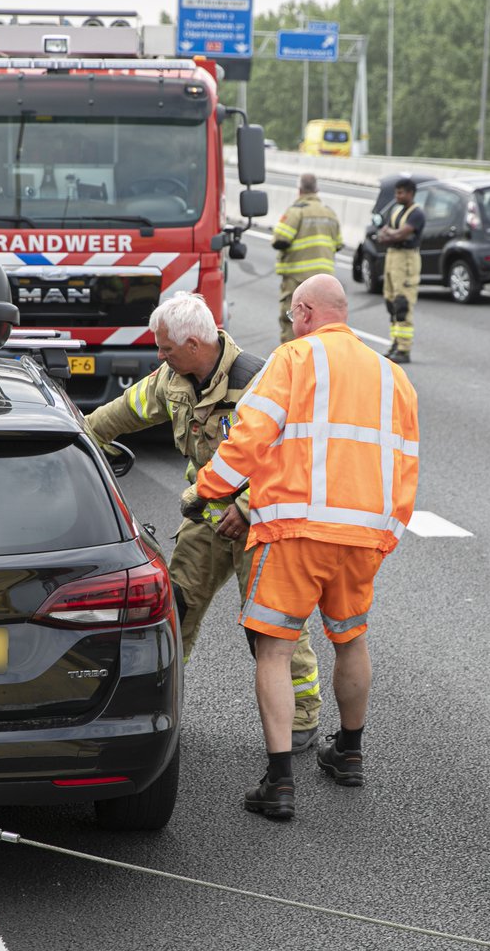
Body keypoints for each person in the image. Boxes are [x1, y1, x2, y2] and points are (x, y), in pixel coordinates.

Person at [190, 274, 419, 820]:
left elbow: (249, 435)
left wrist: (208, 488)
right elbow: (406, 461)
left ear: (306, 311)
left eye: (294, 315)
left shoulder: (293, 359)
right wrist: (388, 530)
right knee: (350, 639)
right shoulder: (393, 376)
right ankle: (350, 752)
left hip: (295, 531)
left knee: (273, 649)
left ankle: (280, 782)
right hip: (363, 535)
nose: (292, 323)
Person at [85, 293, 324, 755]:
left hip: (261, 522)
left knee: (272, 626)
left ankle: (301, 717)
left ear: (194, 344)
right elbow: (121, 413)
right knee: (174, 610)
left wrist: (248, 506)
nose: (160, 356)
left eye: (166, 348)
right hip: (207, 519)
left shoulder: (259, 381)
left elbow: (294, 455)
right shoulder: (172, 379)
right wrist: (78, 436)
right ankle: (156, 699)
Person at [271, 173, 341, 344]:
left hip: (298, 279)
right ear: (317, 190)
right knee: (322, 324)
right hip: (325, 281)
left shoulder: (296, 211)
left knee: (293, 320)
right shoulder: (329, 213)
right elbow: (338, 244)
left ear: (299, 190)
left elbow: (280, 240)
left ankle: (294, 357)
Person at [376, 177, 424, 364]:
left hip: (406, 260)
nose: (397, 196)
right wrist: (392, 235)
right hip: (392, 258)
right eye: (396, 192)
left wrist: (392, 235)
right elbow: (384, 233)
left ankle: (404, 348)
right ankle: (395, 343)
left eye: (401, 193)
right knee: (391, 303)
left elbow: (399, 234)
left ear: (411, 193)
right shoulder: (397, 211)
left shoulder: (416, 214)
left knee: (403, 303)